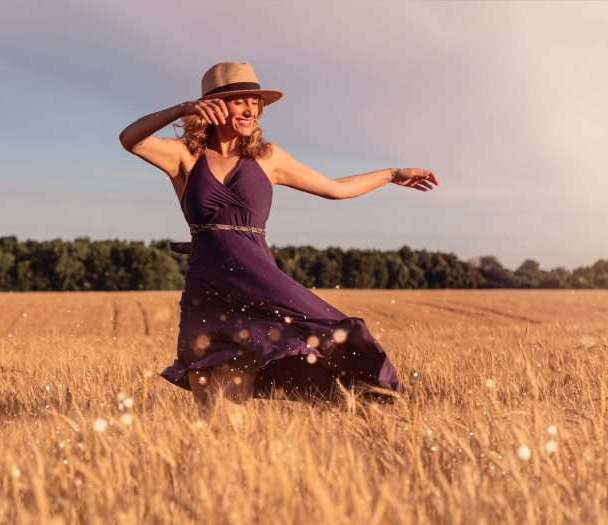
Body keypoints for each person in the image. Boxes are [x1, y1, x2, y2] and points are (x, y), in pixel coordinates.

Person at [119, 61, 439, 425]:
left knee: (335, 335)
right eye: (240, 101)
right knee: (218, 418)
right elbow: (131, 139)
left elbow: (334, 189)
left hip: (261, 283)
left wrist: (392, 174)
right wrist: (181, 109)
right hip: (208, 290)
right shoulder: (185, 157)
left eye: (255, 102)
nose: (251, 109)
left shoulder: (268, 157)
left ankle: (375, 409)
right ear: (213, 106)